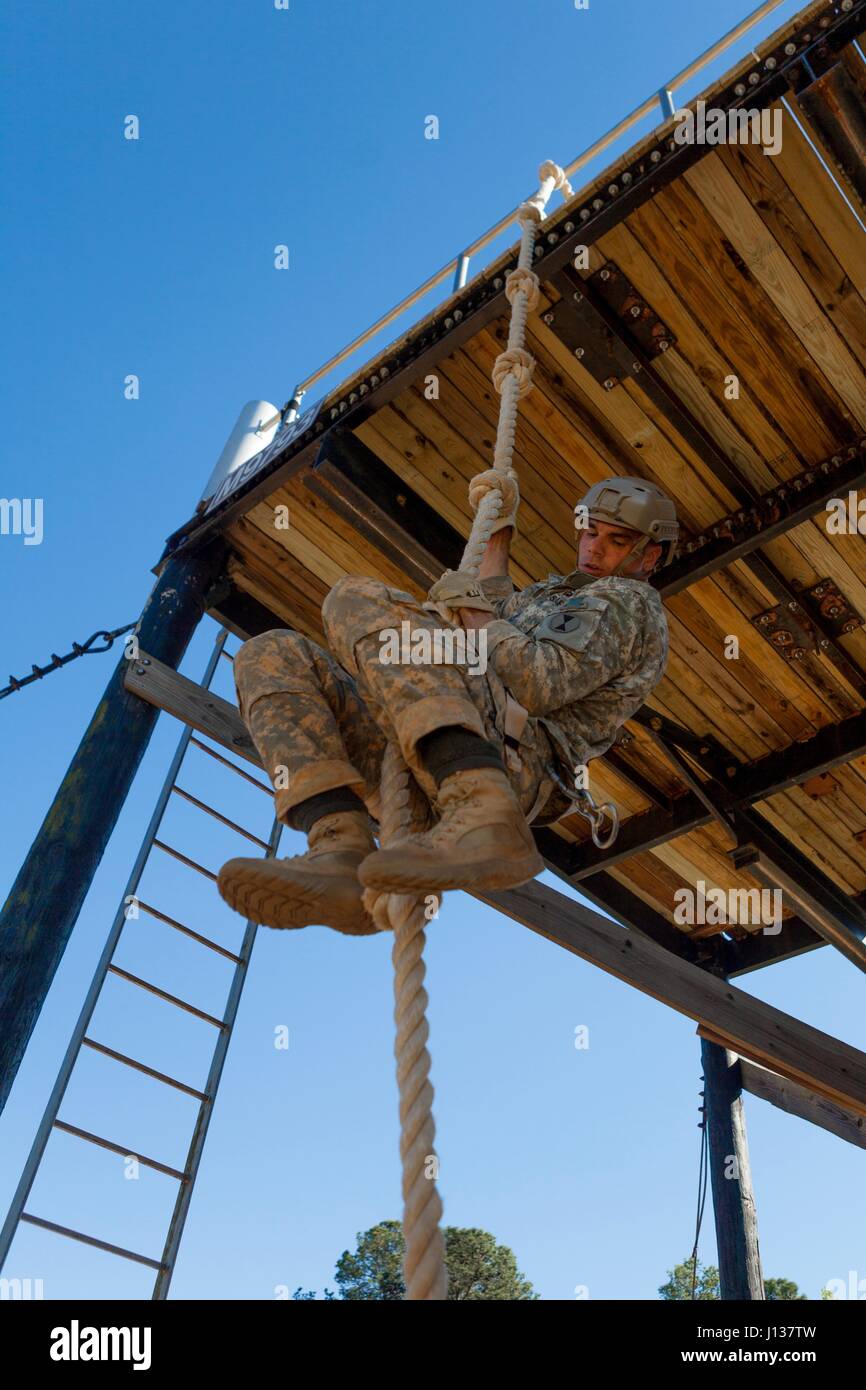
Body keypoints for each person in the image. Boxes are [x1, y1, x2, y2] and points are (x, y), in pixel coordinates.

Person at [217, 474, 678, 935]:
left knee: (355, 598)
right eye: (590, 531)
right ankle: (339, 847)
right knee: (271, 653)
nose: (594, 549)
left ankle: (481, 809)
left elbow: (537, 681)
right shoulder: (556, 595)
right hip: (437, 757)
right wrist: (499, 526)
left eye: (616, 541)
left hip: (509, 760)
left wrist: (473, 614)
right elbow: (497, 604)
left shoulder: (626, 601)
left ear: (650, 555)